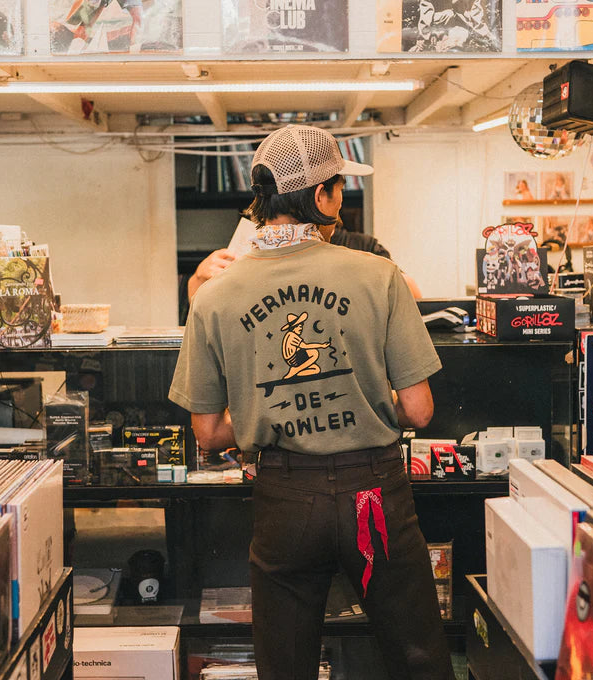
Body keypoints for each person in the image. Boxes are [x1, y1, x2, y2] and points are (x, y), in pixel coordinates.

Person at [169, 124, 455, 680]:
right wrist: (360, 405)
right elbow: (419, 410)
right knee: (418, 655)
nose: (341, 196)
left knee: (286, 664)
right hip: (372, 497)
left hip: (284, 500)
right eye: (339, 185)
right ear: (321, 196)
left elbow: (207, 434)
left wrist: (275, 413)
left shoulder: (214, 296)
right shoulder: (379, 274)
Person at [187, 223, 423, 302]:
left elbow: (412, 296)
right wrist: (199, 278)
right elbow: (200, 316)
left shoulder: (361, 246)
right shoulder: (255, 250)